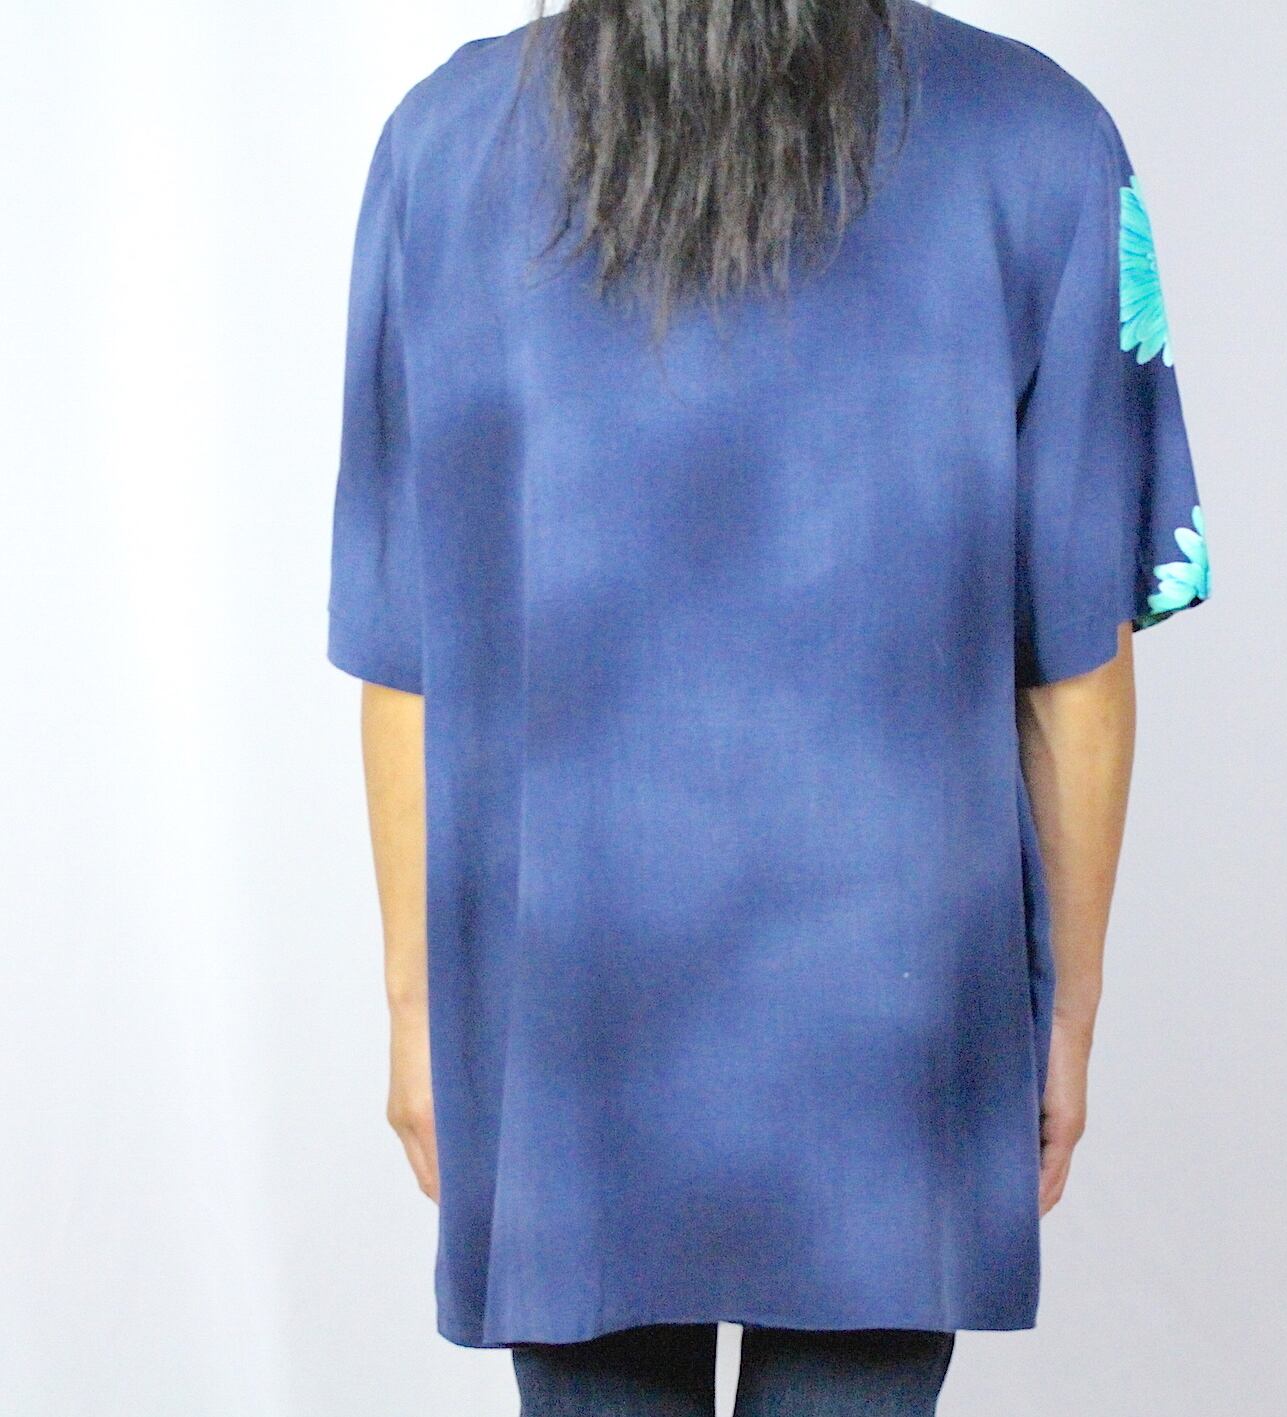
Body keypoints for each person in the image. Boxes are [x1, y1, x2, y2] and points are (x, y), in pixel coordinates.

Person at [324, 0, 1213, 1411]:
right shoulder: (1038, 136)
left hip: (562, 1023)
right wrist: (1065, 1011)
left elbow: (405, 646)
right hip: (899, 1020)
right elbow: (1076, 657)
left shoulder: (446, 145)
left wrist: (419, 1012)